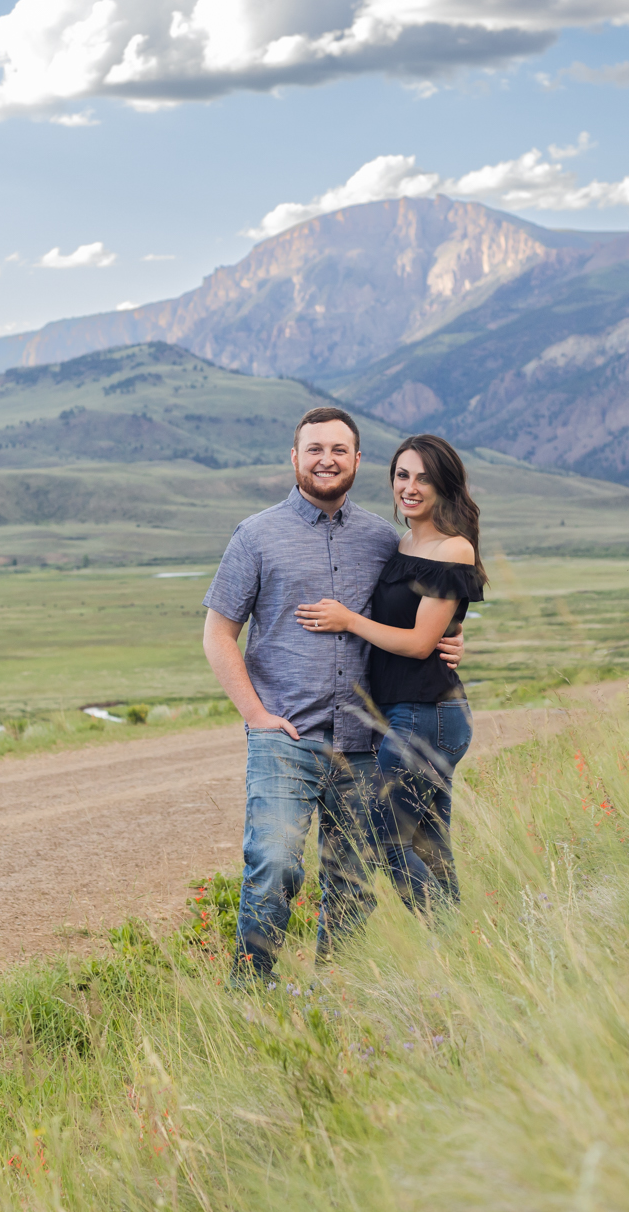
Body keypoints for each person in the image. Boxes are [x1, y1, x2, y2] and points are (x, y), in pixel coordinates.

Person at [202, 407, 463, 984]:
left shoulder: (382, 539)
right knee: (273, 864)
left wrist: (450, 638)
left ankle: (336, 996)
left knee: (352, 880)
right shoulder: (256, 535)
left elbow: (419, 612)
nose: (327, 460)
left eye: (339, 450)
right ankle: (252, 991)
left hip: (366, 742)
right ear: (294, 458)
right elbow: (219, 632)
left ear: (357, 461)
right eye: (315, 449)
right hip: (285, 736)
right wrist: (257, 716)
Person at [297, 434, 485, 911]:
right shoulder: (403, 542)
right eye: (403, 475)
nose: (411, 487)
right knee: (428, 846)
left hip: (429, 715)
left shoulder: (453, 548)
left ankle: (444, 932)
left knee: (383, 837)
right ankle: (460, 953)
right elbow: (431, 625)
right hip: (407, 713)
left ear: (446, 485)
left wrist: (348, 620)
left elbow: (422, 642)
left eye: (424, 478)